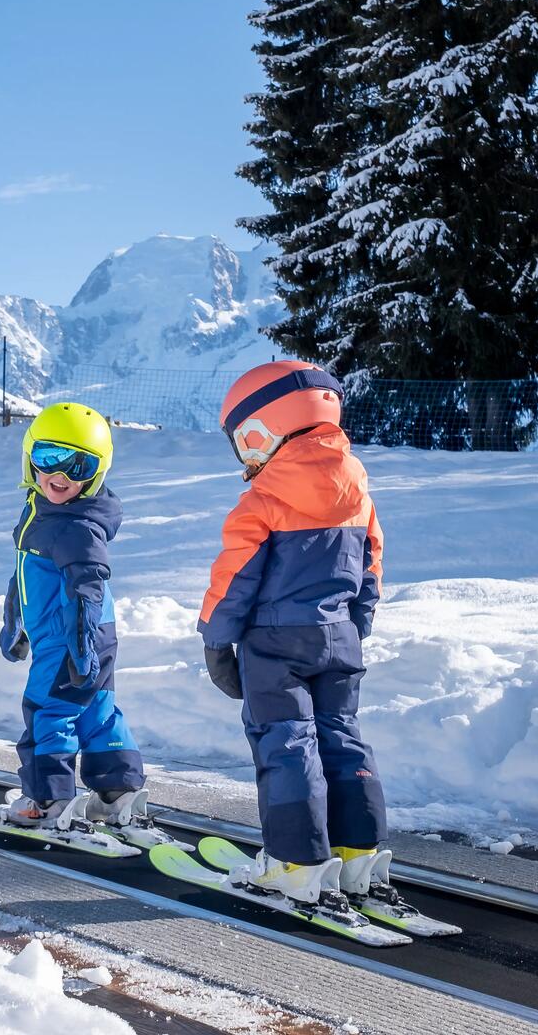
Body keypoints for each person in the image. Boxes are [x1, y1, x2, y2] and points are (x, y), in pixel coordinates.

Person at [197, 361, 392, 912]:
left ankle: (296, 863)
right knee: (342, 737)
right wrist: (357, 626)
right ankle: (359, 855)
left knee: (286, 744)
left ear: (273, 427)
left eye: (248, 439)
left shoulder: (263, 501)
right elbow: (371, 567)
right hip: (339, 638)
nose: (248, 455)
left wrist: (216, 639)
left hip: (275, 646)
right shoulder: (357, 493)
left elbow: (235, 578)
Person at [0, 402, 150, 833]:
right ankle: (117, 791)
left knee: (48, 709)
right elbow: (26, 570)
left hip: (72, 635)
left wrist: (80, 649)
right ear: (29, 456)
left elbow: (88, 586)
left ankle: (47, 799)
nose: (60, 476)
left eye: (78, 465)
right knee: (96, 709)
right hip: (94, 632)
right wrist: (15, 620)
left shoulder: (77, 526)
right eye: (48, 458)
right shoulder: (44, 508)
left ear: (97, 472)